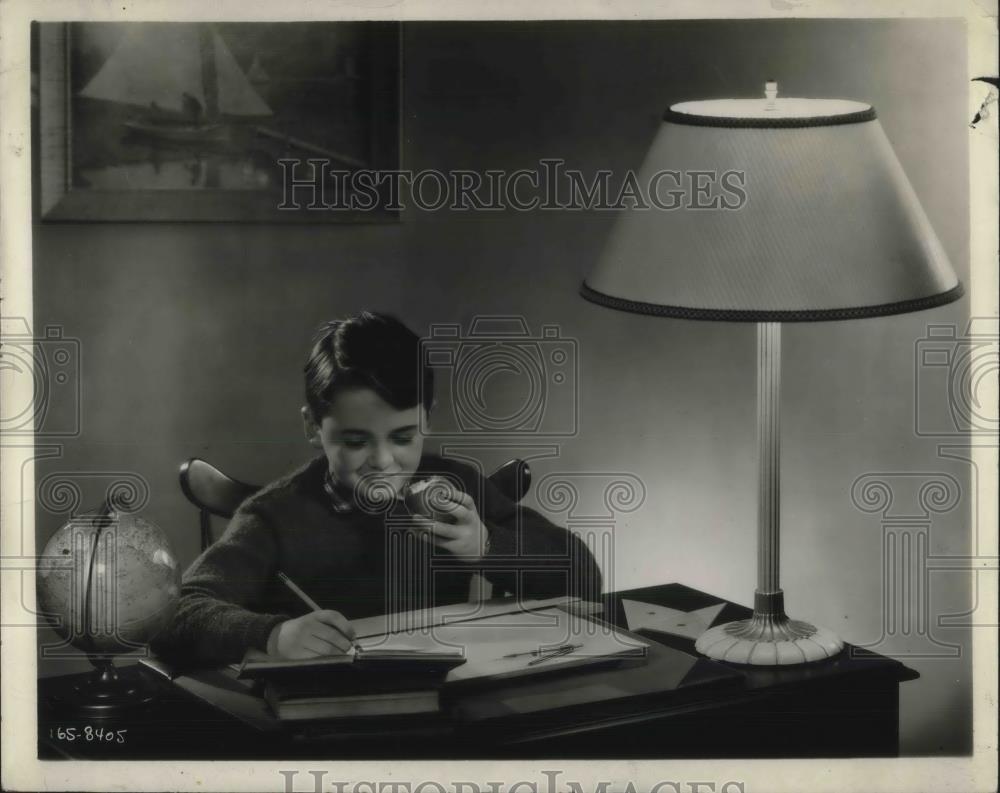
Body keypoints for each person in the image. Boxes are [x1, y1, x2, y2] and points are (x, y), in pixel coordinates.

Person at [153, 312, 602, 667]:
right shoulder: (274, 516)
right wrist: (273, 634)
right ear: (313, 426)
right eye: (355, 441)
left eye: (403, 437)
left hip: (443, 705)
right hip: (322, 722)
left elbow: (584, 578)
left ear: (427, 419)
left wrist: (487, 547)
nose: (383, 461)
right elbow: (178, 615)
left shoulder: (456, 486)